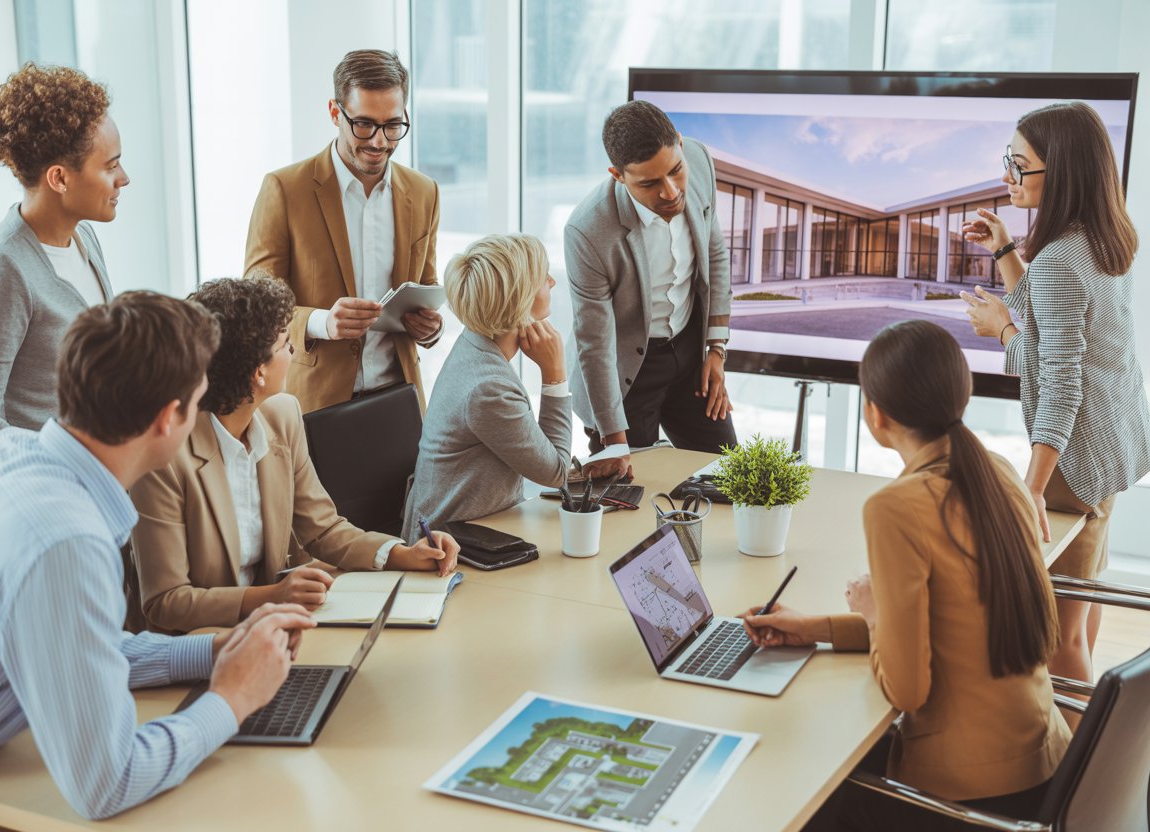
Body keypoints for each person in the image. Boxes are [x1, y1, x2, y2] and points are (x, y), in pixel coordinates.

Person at [0, 292, 316, 820]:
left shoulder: (8, 453)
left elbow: (78, 645)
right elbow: (108, 783)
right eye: (200, 398)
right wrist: (233, 697)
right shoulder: (67, 541)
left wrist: (212, 653)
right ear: (168, 419)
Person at [741, 320, 1070, 831]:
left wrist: (872, 612)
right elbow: (945, 623)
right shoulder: (1000, 472)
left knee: (790, 782)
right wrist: (815, 629)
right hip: (1044, 767)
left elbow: (907, 691)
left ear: (875, 414)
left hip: (968, 800)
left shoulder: (897, 507)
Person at [130, 277, 459, 635]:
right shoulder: (165, 459)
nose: (293, 354)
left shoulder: (282, 415)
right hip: (198, 646)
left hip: (275, 631)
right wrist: (272, 596)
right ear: (258, 372)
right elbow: (165, 602)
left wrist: (404, 554)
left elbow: (323, 529)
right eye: (287, 345)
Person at [960, 101, 1150, 695]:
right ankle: (1088, 725)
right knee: (1086, 597)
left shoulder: (1065, 257)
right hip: (1112, 448)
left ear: (1060, 171)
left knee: (1058, 636)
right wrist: (1005, 253)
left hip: (1070, 462)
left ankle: (1078, 764)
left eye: (1020, 166)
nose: (1008, 177)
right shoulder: (1102, 238)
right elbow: (1053, 318)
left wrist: (1033, 486)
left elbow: (1059, 374)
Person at [244, 49, 442, 415]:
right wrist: (322, 322)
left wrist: (429, 328)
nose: (380, 142)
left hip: (401, 400)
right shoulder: (285, 189)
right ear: (336, 113)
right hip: (314, 404)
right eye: (364, 124)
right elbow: (257, 302)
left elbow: (424, 287)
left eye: (393, 125)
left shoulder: (423, 191)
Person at [0, 63, 128, 451]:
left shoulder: (85, 236)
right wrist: (56, 471)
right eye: (111, 166)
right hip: (53, 494)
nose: (123, 178)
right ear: (60, 179)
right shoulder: (2, 270)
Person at [565, 100, 736, 481]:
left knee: (729, 476)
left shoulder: (699, 159)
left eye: (675, 171)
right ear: (618, 176)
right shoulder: (588, 232)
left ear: (678, 142)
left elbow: (716, 255)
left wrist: (716, 350)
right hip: (625, 374)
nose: (671, 191)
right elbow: (594, 342)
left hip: (690, 352)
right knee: (630, 499)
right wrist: (613, 439)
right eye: (650, 184)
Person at [401, 234, 571, 542]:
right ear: (522, 297)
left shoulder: (472, 343)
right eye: (543, 277)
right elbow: (555, 474)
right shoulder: (489, 389)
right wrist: (554, 374)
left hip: (480, 527)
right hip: (455, 548)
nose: (552, 282)